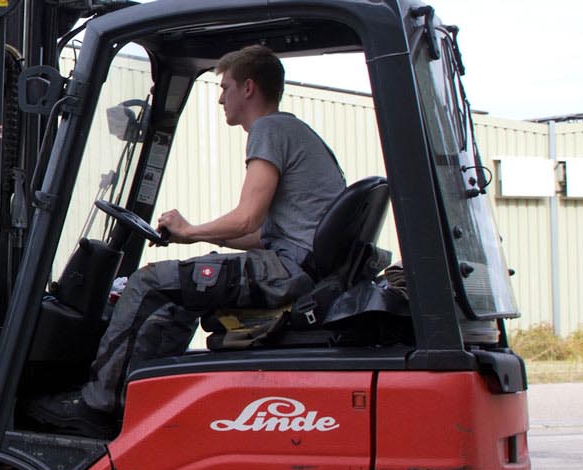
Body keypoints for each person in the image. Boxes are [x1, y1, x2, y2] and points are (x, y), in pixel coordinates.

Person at [27, 45, 346, 439]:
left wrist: (190, 230)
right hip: (297, 266)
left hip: (288, 271)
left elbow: (248, 217)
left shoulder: (269, 130)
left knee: (146, 283)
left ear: (248, 88)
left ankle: (96, 406)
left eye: (225, 88)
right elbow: (260, 234)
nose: (221, 99)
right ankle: (148, 398)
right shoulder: (293, 131)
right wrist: (189, 236)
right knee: (181, 291)